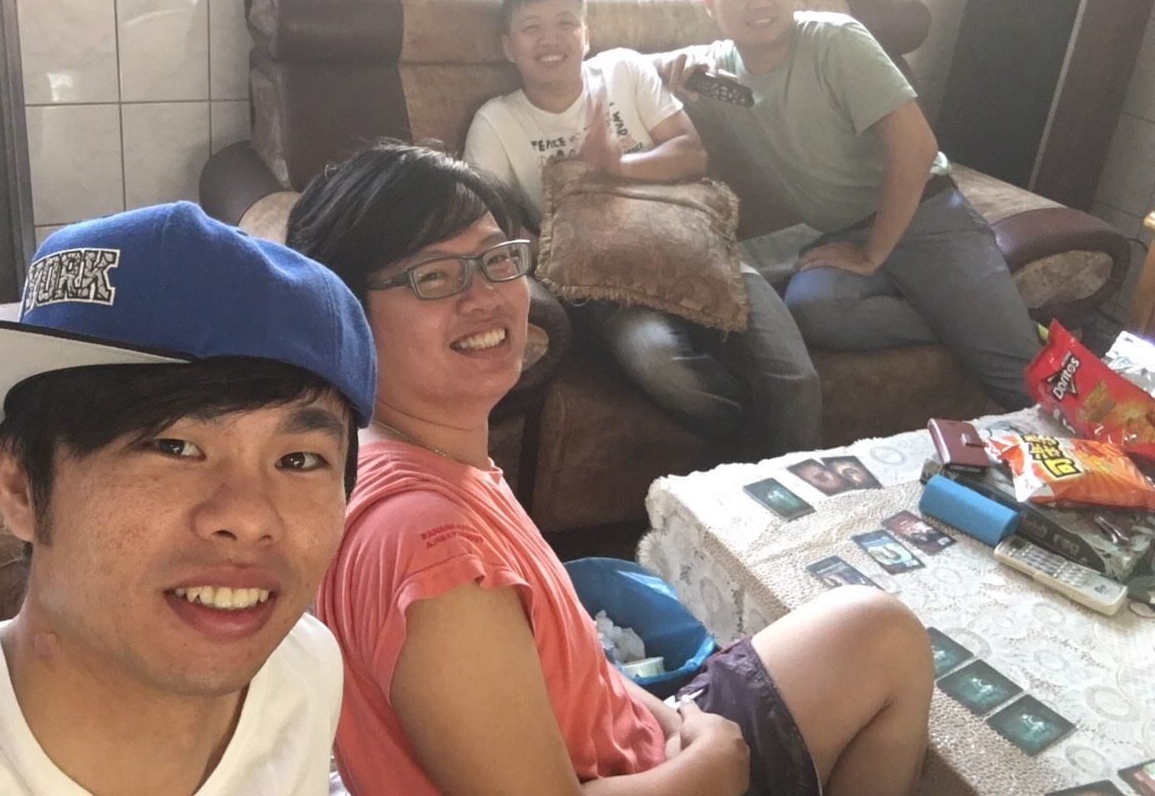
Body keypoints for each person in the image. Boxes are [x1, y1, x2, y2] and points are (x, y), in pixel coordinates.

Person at [286, 142, 935, 796]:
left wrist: (676, 716)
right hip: (659, 778)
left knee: (870, 626)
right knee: (887, 644)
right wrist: (708, 767)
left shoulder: (395, 458)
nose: (485, 296)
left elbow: (571, 678)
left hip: (641, 750)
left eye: (497, 258)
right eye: (434, 276)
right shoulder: (436, 560)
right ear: (345, 313)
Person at [0, 201, 377, 795]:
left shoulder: (301, 669)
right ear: (19, 486)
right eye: (174, 446)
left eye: (299, 460)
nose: (248, 517)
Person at [657, 0, 1040, 410]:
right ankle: (971, 317)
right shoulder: (714, 70)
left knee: (1021, 385)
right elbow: (627, 72)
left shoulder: (837, 41)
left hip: (926, 219)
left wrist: (871, 255)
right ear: (712, 1)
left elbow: (916, 149)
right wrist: (667, 69)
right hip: (837, 233)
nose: (761, 1)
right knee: (817, 313)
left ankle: (988, 325)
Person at [464, 0, 822, 456]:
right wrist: (559, 243)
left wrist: (615, 169)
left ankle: (769, 487)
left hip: (695, 248)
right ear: (509, 47)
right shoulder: (496, 120)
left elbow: (691, 153)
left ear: (586, 35)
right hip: (604, 280)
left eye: (566, 23)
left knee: (793, 378)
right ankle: (755, 462)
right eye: (531, 28)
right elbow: (490, 226)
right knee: (662, 367)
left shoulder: (625, 71)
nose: (551, 39)